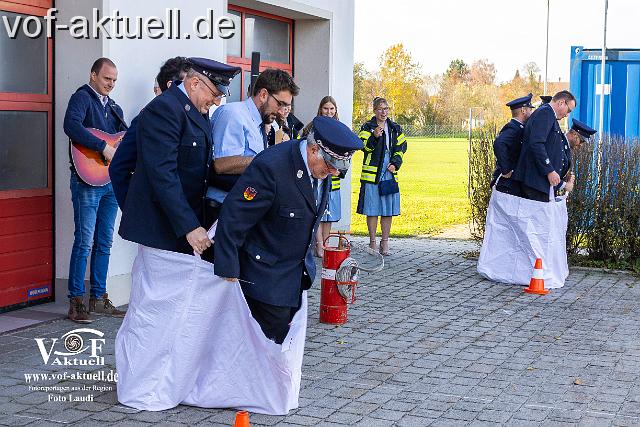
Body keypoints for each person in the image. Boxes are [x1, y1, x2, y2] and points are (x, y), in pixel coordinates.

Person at [213, 116, 363, 344]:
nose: (333, 173)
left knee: (280, 354)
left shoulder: (322, 169)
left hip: (294, 279)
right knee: (263, 354)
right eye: (330, 166)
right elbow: (234, 217)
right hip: (263, 279)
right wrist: (229, 270)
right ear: (314, 150)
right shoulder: (272, 167)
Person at [118, 58, 240, 255]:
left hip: (182, 229)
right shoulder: (164, 109)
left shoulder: (196, 109)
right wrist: (189, 226)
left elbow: (200, 169)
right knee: (159, 286)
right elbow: (163, 173)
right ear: (194, 84)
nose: (217, 101)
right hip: (162, 229)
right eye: (215, 94)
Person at [63, 57, 128, 323]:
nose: (110, 84)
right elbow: (71, 126)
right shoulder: (81, 98)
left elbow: (121, 141)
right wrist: (103, 148)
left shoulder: (114, 109)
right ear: (93, 75)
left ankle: (99, 298)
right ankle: (76, 301)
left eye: (114, 80)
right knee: (84, 242)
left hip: (110, 182)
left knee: (105, 242)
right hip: (86, 181)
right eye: (106, 79)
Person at [205, 69, 300, 225]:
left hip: (243, 207)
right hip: (223, 210)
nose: (281, 110)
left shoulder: (261, 121)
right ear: (263, 95)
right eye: (280, 104)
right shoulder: (233, 114)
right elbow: (222, 164)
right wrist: (270, 159)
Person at [109, 56, 191, 210]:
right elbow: (118, 167)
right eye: (189, 84)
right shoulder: (146, 118)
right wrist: (132, 210)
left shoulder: (190, 119)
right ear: (171, 85)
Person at [356, 97, 407, 256]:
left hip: (389, 173)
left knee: (387, 210)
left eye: (386, 108)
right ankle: (372, 242)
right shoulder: (367, 127)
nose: (383, 112)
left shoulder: (395, 128)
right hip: (372, 175)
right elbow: (363, 147)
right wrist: (374, 137)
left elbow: (401, 147)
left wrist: (395, 163)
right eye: (380, 109)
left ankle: (385, 242)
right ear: (374, 110)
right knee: (372, 209)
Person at [513, 90, 577, 202]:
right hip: (535, 183)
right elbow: (536, 143)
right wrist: (549, 171)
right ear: (561, 102)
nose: (567, 115)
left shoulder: (549, 115)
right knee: (536, 219)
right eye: (569, 110)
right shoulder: (545, 113)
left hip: (539, 183)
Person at [304, 96, 343, 257]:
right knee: (318, 210)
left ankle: (326, 243)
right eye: (326, 108)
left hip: (332, 174)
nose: (329, 112)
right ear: (320, 109)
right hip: (317, 174)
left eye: (331, 109)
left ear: (335, 111)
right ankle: (319, 245)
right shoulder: (312, 127)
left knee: (329, 213)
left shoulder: (340, 128)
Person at [490, 94, 534, 196]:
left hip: (513, 183)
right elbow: (499, 143)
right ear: (523, 110)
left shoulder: (519, 127)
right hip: (507, 184)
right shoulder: (513, 128)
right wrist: (506, 169)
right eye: (529, 110)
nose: (530, 113)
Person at [558, 118, 597, 194]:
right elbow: (549, 173)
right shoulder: (559, 144)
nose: (581, 145)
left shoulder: (565, 147)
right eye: (581, 141)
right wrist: (564, 185)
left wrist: (565, 177)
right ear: (575, 134)